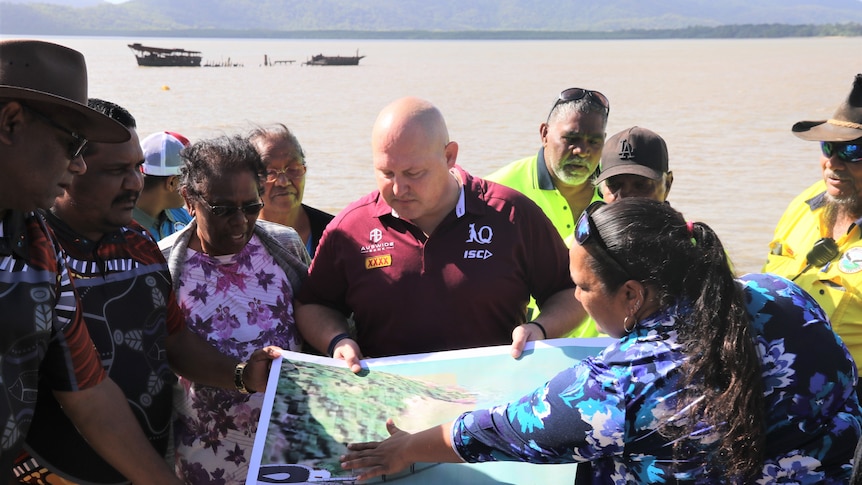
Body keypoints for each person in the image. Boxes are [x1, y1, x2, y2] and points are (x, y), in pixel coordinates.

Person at [340, 198, 862, 484]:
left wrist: (406, 447)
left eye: (584, 287)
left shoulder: (627, 383)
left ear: (632, 294)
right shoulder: (780, 293)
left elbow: (506, 428)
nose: (578, 298)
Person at [13, 100, 280, 485]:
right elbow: (79, 395)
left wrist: (241, 375)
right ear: (69, 167)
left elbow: (173, 339)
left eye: (137, 167)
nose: (136, 183)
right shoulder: (29, 252)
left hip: (144, 470)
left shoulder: (138, 243)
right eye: (116, 171)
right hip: (51, 472)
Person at [0, 39, 186, 484]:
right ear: (10, 123)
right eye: (71, 143)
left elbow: (88, 389)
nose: (77, 166)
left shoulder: (35, 242)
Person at [295, 97, 584, 373]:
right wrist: (336, 340)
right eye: (387, 173)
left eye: (413, 173)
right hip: (391, 404)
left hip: (492, 407)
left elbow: (572, 292)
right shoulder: (350, 228)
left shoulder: (511, 214)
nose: (398, 189)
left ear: (449, 156)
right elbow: (312, 304)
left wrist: (541, 329)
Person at [159, 134, 311, 484]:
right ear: (188, 199)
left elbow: (311, 314)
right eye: (224, 209)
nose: (241, 221)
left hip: (290, 451)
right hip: (208, 461)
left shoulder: (284, 245)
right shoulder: (163, 264)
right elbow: (167, 350)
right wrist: (242, 374)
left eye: (251, 206)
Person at [763, 73, 862, 382]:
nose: (833, 162)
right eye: (828, 146)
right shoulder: (803, 204)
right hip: (777, 382)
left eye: (852, 151)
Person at [485, 88, 607, 334]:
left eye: (594, 142)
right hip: (527, 347)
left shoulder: (615, 191)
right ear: (544, 133)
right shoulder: (496, 194)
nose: (582, 151)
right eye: (571, 139)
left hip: (599, 351)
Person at [248, 123, 334, 258]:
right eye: (270, 172)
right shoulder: (238, 236)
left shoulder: (334, 232)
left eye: (293, 169)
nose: (283, 182)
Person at [132, 131, 193, 241]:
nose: (191, 186)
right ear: (172, 183)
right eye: (188, 179)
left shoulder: (182, 216)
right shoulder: (121, 228)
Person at [594, 126, 673, 203]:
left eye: (641, 186)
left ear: (667, 185)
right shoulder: (586, 214)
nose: (626, 198)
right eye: (615, 185)